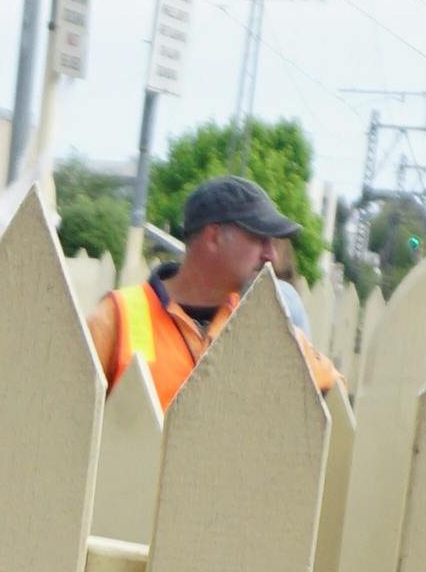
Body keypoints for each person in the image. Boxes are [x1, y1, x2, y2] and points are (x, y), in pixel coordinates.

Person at [90, 166, 295, 405]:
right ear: (214, 237)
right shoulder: (118, 316)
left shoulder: (260, 323)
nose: (272, 256)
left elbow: (327, 386)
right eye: (260, 239)